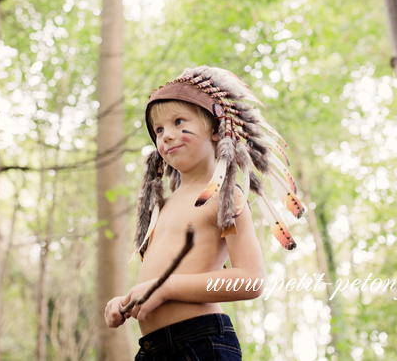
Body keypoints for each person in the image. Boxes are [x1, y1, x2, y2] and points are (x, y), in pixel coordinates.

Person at [104, 66, 303, 361]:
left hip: (200, 343)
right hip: (152, 349)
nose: (166, 136)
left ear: (215, 130)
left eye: (178, 121)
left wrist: (165, 288)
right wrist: (126, 300)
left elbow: (251, 279)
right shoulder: (164, 205)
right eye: (158, 130)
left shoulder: (224, 196)